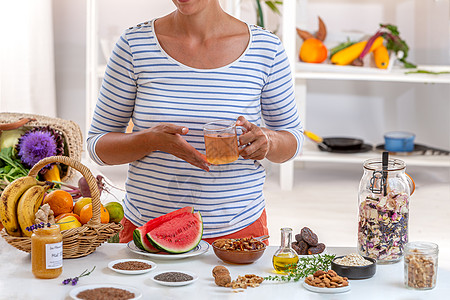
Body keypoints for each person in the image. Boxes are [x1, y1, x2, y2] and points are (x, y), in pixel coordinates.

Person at [87, 0, 304, 244]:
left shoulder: (266, 48)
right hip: (147, 231)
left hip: (238, 232)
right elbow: (97, 146)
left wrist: (269, 141)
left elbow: (293, 139)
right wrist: (150, 140)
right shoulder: (134, 45)